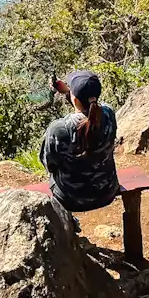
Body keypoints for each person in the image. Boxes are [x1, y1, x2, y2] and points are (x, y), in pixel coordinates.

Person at [41, 69, 119, 213]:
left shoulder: (59, 129)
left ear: (75, 99)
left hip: (72, 198)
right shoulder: (109, 114)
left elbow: (49, 164)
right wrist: (67, 92)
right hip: (106, 191)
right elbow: (91, 110)